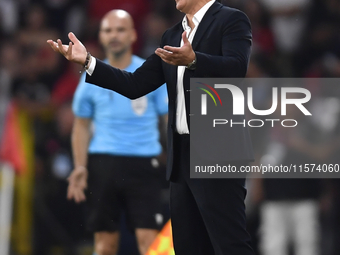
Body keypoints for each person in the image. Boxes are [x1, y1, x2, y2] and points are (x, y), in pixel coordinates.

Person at [47, 0, 255, 254]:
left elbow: (236, 68)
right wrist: (89, 62)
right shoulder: (171, 35)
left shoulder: (231, 20)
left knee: (229, 243)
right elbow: (135, 85)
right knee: (188, 247)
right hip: (181, 158)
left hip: (218, 152)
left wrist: (194, 60)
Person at [66, 10, 168, 255]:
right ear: (100, 36)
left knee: (151, 244)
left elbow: (168, 118)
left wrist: (175, 156)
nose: (114, 35)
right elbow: (81, 126)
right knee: (104, 245)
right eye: (108, 30)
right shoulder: (90, 77)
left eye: (120, 29)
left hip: (145, 164)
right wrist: (80, 166)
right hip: (103, 164)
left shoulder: (148, 74)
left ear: (133, 34)